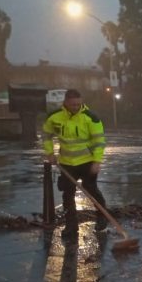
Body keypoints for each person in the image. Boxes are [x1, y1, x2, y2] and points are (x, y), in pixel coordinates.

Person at [42, 89, 108, 238]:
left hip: (87, 162)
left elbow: (99, 142)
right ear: (65, 102)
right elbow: (46, 135)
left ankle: (102, 219)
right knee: (68, 195)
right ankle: (71, 227)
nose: (76, 107)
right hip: (66, 163)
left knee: (91, 190)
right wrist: (50, 153)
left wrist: (97, 161)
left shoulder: (91, 118)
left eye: (78, 104)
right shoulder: (54, 117)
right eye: (72, 104)